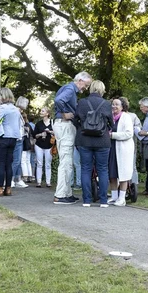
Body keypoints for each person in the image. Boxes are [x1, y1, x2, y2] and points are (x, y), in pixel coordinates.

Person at [54, 71, 93, 204]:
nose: (85, 89)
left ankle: (66, 192)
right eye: (86, 85)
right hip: (64, 125)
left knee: (68, 161)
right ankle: (60, 195)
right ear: (80, 80)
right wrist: (64, 112)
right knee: (66, 161)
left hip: (62, 126)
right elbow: (58, 100)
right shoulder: (71, 88)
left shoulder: (68, 88)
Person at [76, 80, 113, 207]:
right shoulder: (106, 104)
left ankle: (86, 200)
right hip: (102, 141)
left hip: (84, 140)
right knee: (103, 169)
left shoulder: (82, 102)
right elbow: (111, 123)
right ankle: (103, 201)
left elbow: (76, 120)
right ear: (102, 90)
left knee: (85, 169)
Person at [0, 88, 22, 196]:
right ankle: (8, 188)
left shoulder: (2, 108)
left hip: (3, 137)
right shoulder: (16, 109)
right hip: (13, 138)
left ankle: (0, 189)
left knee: (1, 164)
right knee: (8, 164)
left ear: (3, 96)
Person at [110, 97, 135, 206]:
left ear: (122, 107)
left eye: (117, 104)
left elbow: (129, 133)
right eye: (113, 104)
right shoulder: (110, 117)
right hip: (112, 148)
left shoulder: (126, 117)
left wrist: (113, 135)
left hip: (123, 149)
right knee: (112, 173)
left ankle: (122, 198)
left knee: (123, 173)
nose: (114, 106)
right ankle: (114, 196)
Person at [11, 96, 30, 188]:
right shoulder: (16, 112)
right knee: (16, 160)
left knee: (18, 160)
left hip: (20, 137)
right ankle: (11, 179)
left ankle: (17, 179)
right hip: (17, 138)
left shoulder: (19, 112)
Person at [33, 107, 54, 188]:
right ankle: (39, 182)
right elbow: (35, 135)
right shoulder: (38, 124)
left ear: (47, 113)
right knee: (39, 163)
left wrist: (50, 132)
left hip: (49, 145)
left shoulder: (52, 123)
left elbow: (56, 133)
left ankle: (48, 182)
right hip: (39, 145)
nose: (40, 112)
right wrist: (41, 134)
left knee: (48, 164)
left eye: (42, 111)